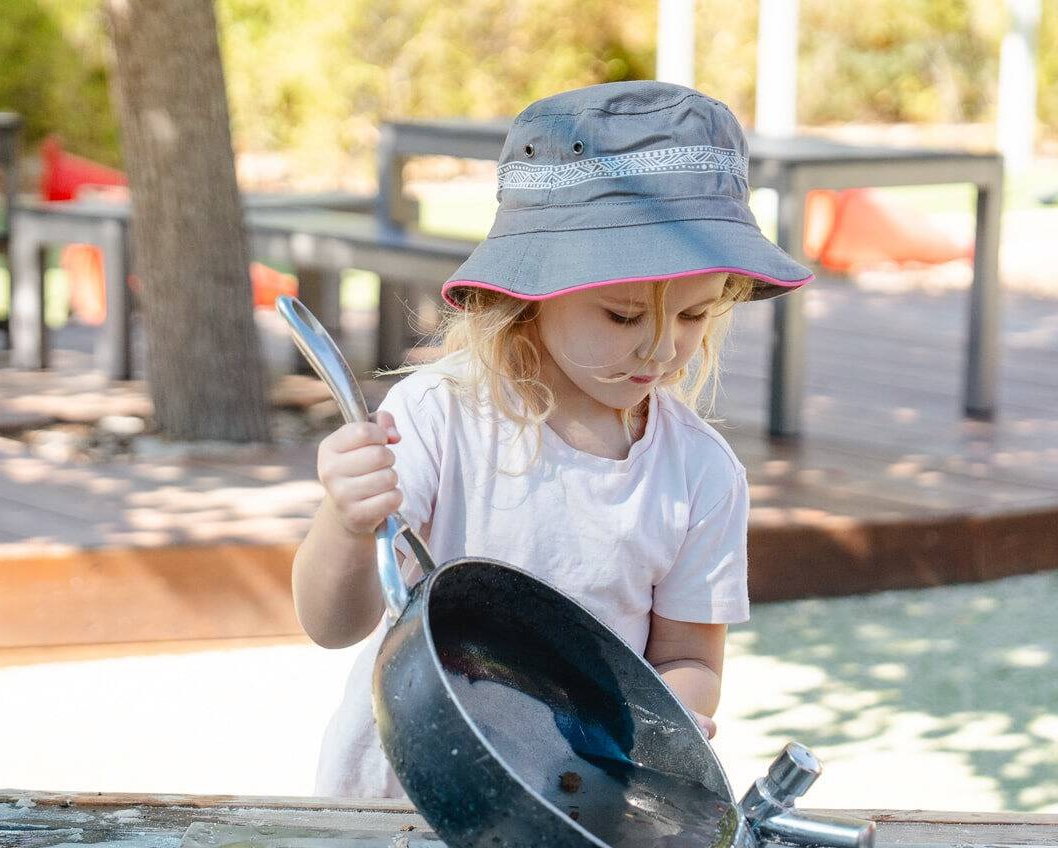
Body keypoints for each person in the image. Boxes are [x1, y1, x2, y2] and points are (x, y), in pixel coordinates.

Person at [294, 81, 810, 798]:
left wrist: (671, 721)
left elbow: (690, 657)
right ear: (531, 291)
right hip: (403, 803)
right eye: (624, 316)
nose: (661, 349)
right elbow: (331, 623)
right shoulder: (440, 418)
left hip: (577, 809)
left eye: (693, 314)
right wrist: (346, 521)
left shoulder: (698, 473)